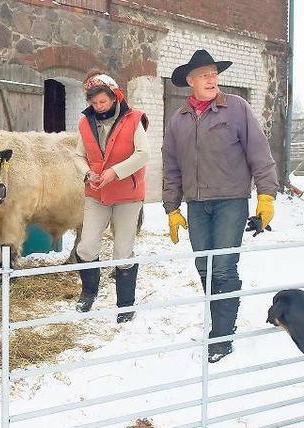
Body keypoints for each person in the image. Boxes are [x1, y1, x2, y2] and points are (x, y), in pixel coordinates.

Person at [162, 50, 279, 362]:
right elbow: (171, 167)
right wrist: (172, 208)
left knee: (224, 266)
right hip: (197, 205)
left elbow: (260, 153)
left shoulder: (236, 108)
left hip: (230, 201)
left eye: (214, 73)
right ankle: (219, 323)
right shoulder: (178, 120)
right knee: (204, 267)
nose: (211, 79)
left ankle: (222, 335)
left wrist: (266, 196)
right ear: (190, 81)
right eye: (204, 74)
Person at [72, 71, 149, 323]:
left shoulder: (134, 119)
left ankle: (125, 305)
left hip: (127, 194)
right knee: (86, 246)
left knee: (123, 250)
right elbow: (78, 156)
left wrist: (115, 172)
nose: (99, 106)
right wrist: (87, 174)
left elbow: (143, 154)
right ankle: (88, 293)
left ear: (115, 97)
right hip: (96, 192)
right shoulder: (85, 123)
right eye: (94, 103)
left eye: (103, 101)